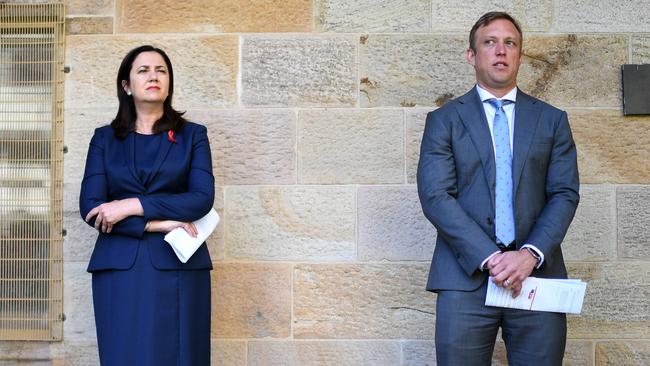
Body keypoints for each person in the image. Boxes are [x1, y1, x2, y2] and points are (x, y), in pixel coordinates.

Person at [417, 12, 579, 365]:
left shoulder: (552, 120)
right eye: (490, 43)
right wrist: (492, 259)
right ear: (472, 56)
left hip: (536, 278)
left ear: (520, 55)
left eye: (510, 43)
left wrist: (528, 255)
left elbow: (564, 193)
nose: (501, 51)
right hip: (465, 280)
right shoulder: (443, 120)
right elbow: (436, 196)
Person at [79, 45, 214, 365]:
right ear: (126, 85)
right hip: (120, 268)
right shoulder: (104, 139)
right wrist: (156, 223)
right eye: (143, 70)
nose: (153, 76)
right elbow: (92, 207)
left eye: (161, 70)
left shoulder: (193, 136)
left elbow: (201, 199)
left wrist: (131, 205)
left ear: (169, 82)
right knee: (124, 354)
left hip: (179, 266)